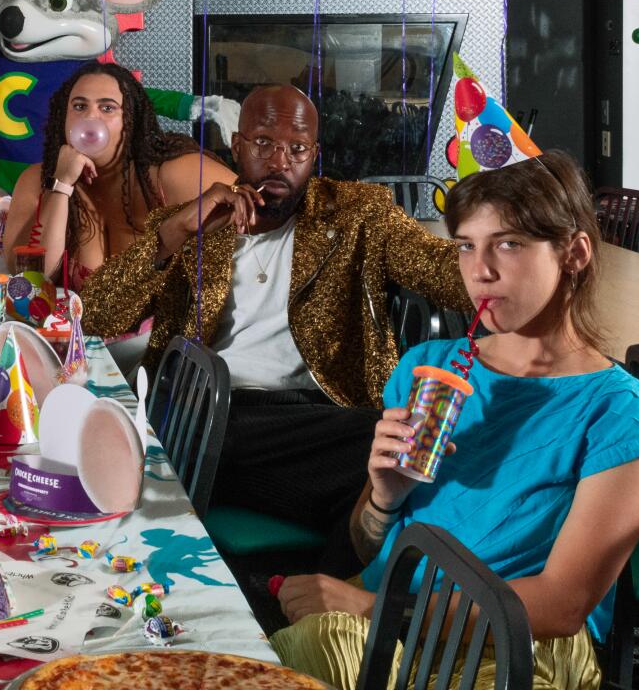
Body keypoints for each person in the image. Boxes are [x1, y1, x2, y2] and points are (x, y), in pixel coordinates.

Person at [269, 149, 639, 690]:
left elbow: (561, 603)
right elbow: (369, 542)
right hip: (391, 632)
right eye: (466, 245)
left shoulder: (622, 417)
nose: (480, 270)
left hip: (522, 666)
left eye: (509, 245)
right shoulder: (429, 367)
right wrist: (383, 498)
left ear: (575, 253)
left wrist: (371, 611)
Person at [82, 85, 469, 569]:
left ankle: (315, 604)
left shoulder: (357, 215)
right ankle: (331, 601)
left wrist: (510, 248)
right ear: (237, 146)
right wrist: (178, 231)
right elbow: (95, 316)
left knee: (393, 467)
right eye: (264, 143)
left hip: (313, 419)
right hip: (205, 414)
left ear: (315, 155)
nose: (280, 160)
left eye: (298, 148)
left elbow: (447, 273)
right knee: (377, 455)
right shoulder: (191, 224)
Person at [1, 62, 234, 287]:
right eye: (80, 106)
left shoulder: (172, 173)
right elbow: (27, 279)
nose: (90, 118)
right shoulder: (38, 179)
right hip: (72, 327)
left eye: (107, 108)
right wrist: (61, 185)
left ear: (130, 120)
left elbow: (257, 216)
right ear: (64, 117)